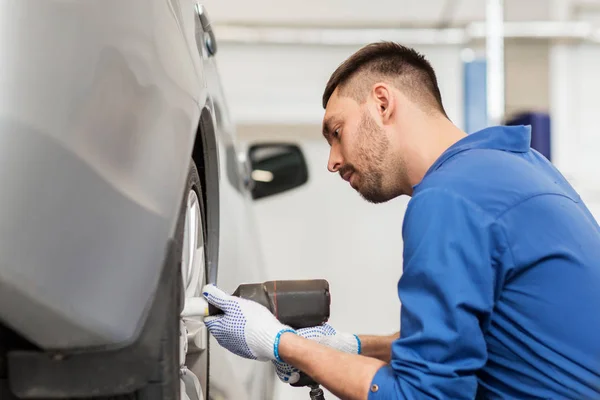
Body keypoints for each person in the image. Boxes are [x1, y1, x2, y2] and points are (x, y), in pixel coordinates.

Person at [201, 42, 600, 399]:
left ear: (382, 102)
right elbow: (464, 343)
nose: (332, 161)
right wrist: (350, 346)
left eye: (337, 132)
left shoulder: (450, 197)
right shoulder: (517, 168)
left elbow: (419, 394)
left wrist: (280, 342)